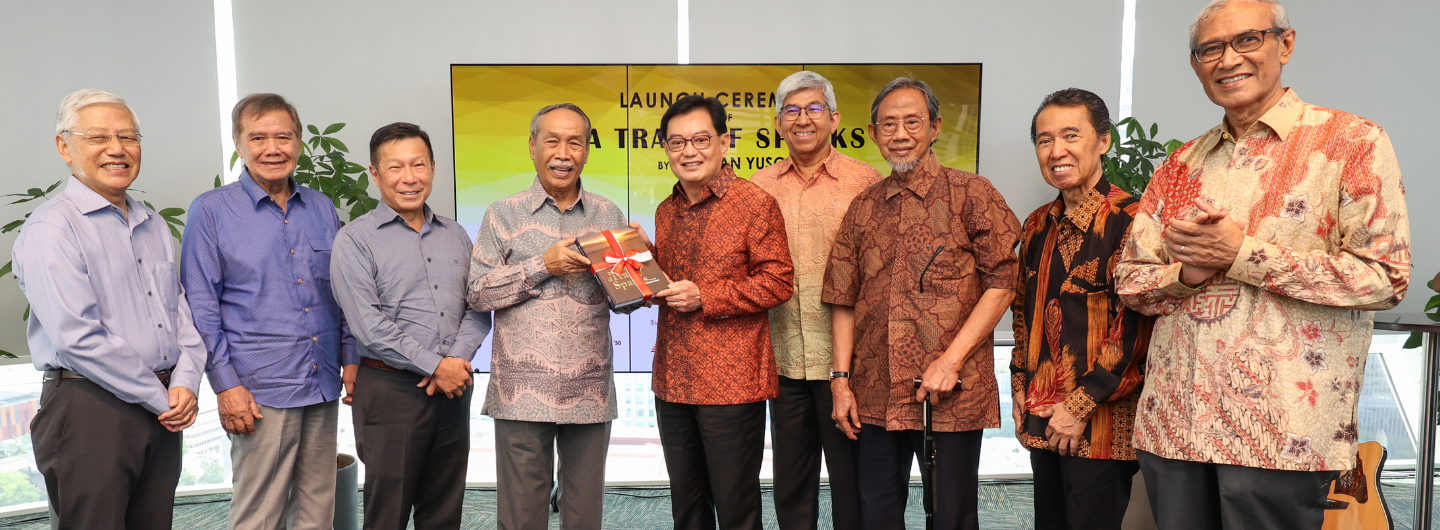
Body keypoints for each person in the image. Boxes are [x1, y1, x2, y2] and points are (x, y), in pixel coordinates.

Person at [1114, 1, 1410, 528]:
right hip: (1174, 426)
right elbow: (1131, 281)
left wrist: (1241, 255)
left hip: (1280, 435)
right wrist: (1186, 275)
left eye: (1246, 40)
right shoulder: (1181, 163)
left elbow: (1384, 277)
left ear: (1286, 44)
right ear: (1196, 65)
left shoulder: (1352, 142)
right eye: (1210, 49)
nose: (1228, 59)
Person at [824, 77, 1020, 530]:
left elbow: (1003, 282)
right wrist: (840, 381)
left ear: (934, 127)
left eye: (912, 121)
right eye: (888, 124)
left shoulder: (972, 194)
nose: (900, 133)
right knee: (876, 513)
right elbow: (842, 298)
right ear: (873, 134)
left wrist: (950, 362)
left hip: (949, 393)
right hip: (873, 393)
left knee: (950, 516)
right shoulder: (863, 207)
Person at [13, 89, 205, 529]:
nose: (117, 149)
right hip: (88, 408)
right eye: (98, 136)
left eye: (129, 137)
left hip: (161, 408)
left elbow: (179, 313)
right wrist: (162, 399)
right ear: (65, 146)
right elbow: (77, 336)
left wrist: (187, 383)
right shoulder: (51, 229)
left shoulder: (153, 224)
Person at [181, 93, 358, 530]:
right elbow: (201, 306)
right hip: (257, 391)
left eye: (283, 136)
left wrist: (350, 359)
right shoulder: (211, 210)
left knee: (318, 511)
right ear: (239, 144)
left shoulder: (321, 208)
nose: (272, 148)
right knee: (260, 516)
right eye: (257, 137)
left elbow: (340, 291)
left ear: (299, 143)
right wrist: (226, 386)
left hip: (320, 380)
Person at [468, 103, 629, 530]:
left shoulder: (608, 214)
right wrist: (544, 265)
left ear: (587, 151)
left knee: (583, 516)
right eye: (552, 141)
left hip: (589, 390)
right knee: (521, 516)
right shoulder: (502, 213)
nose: (563, 152)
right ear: (532, 146)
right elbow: (477, 292)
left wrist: (641, 269)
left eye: (575, 142)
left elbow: (627, 301)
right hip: (523, 391)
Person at [330, 122, 492, 530]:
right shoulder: (355, 240)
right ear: (375, 174)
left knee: (445, 505)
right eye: (396, 167)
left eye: (418, 165)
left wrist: (453, 362)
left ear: (433, 168)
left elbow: (478, 306)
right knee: (389, 511)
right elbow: (368, 326)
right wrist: (437, 367)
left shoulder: (456, 234)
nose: (409, 177)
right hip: (390, 391)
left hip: (453, 389)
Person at [650, 95, 795, 530]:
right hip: (672, 382)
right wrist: (639, 257)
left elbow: (779, 281)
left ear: (724, 141)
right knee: (687, 508)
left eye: (699, 139)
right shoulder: (666, 210)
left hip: (731, 385)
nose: (688, 151)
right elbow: (667, 285)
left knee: (736, 509)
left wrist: (706, 297)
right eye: (676, 142)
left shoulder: (755, 204)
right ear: (666, 149)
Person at [1012, 88, 1151, 530]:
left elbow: (1135, 332)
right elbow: (1022, 313)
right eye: (1044, 139)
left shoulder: (1131, 220)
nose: (1057, 151)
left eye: (1071, 135)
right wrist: (1018, 385)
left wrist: (1078, 406)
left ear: (1103, 141)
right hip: (1042, 418)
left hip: (1100, 425)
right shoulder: (1036, 224)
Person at [750, 71, 878, 530]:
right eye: (792, 110)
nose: (803, 119)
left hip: (849, 364)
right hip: (781, 359)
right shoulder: (758, 187)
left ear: (835, 119)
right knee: (791, 483)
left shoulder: (865, 183)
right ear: (779, 123)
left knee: (852, 484)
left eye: (814, 109)